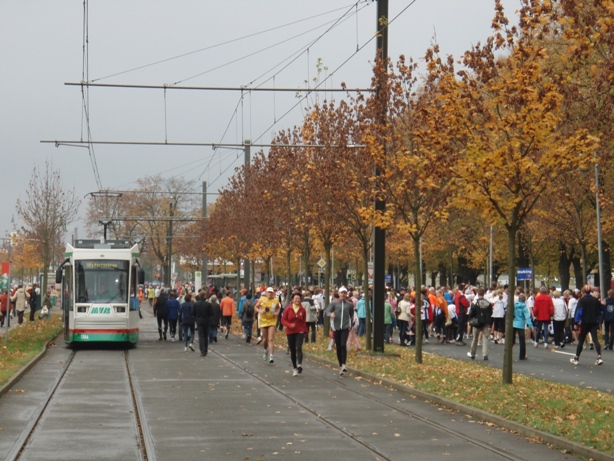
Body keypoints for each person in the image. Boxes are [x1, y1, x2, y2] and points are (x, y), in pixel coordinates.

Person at [570, 285, 604, 366]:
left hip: (585, 323)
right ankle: (599, 357)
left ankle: (577, 357)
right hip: (593, 322)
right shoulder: (595, 300)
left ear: (583, 292)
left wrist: (576, 322)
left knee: (581, 340)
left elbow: (579, 312)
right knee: (595, 339)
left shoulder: (581, 300)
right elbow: (601, 309)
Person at [326, 286, 354, 376]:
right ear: (339, 294)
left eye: (344, 293)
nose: (343, 294)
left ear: (347, 294)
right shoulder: (334, 303)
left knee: (343, 345)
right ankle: (340, 365)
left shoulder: (349, 304)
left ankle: (344, 365)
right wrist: (331, 314)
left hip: (345, 327)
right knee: (338, 346)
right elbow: (326, 312)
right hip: (336, 327)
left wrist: (350, 325)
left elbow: (351, 314)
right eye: (341, 293)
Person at [281, 292, 307, 376]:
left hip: (300, 331)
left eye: (299, 298)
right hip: (290, 331)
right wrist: (289, 325)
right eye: (295, 298)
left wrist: (305, 331)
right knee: (293, 349)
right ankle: (294, 367)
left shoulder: (303, 309)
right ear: (292, 300)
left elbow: (304, 321)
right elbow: (283, 320)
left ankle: (299, 365)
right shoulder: (288, 309)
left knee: (299, 347)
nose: (297, 300)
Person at [255, 287, 281, 363]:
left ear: (273, 293)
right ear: (266, 293)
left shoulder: (276, 300)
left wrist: (277, 313)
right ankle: (265, 350)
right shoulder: (262, 299)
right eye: (268, 292)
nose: (270, 294)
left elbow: (278, 308)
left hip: (272, 320)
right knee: (265, 339)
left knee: (271, 338)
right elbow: (255, 307)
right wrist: (260, 311)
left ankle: (271, 356)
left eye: (271, 292)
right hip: (263, 321)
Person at [467, 288, 493, 361]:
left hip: (477, 322)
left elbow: (471, 312)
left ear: (478, 294)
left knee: (475, 338)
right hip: (485, 322)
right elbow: (490, 312)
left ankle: (472, 353)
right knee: (485, 338)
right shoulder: (488, 302)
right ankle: (485, 355)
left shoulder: (475, 302)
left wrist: (470, 319)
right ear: (484, 294)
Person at [513, 294, 534, 360]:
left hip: (513, 323)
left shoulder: (514, 305)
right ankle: (522, 356)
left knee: (512, 340)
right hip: (521, 324)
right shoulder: (524, 307)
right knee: (522, 341)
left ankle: (508, 353)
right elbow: (527, 317)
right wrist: (531, 326)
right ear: (524, 300)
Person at [194, 289, 213, 356]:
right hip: (206, 321)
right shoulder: (208, 304)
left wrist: (196, 319)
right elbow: (211, 313)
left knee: (201, 336)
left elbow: (193, 313)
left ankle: (202, 350)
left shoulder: (196, 304)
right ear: (204, 296)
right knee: (205, 336)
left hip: (199, 321)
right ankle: (205, 349)